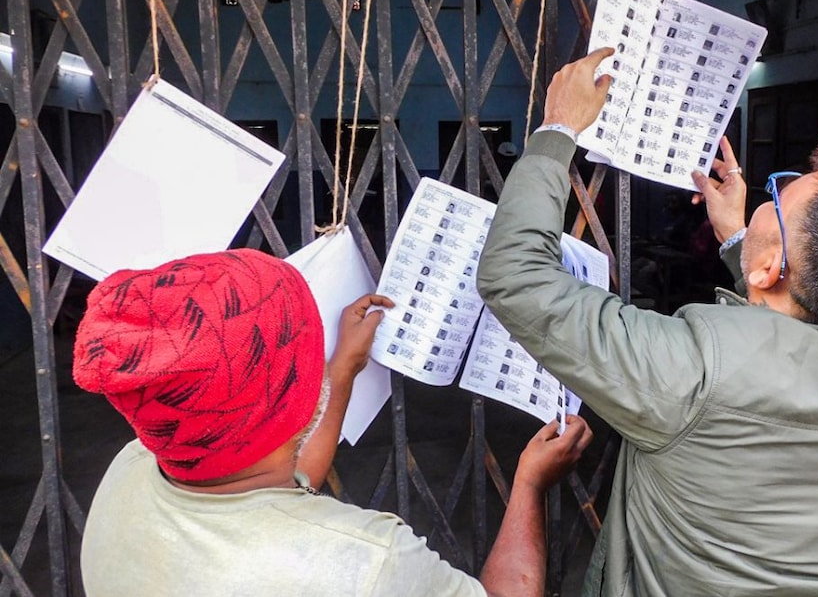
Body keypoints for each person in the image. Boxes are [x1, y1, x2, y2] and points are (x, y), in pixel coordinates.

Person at [476, 48, 818, 596]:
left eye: (776, 199)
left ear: (774, 268)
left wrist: (557, 130)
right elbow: (802, 335)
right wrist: (742, 249)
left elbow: (515, 275)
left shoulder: (694, 372)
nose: (762, 204)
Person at [75, 248, 593, 596]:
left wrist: (340, 371)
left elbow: (276, 481)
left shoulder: (133, 469)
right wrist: (528, 484)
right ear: (289, 398)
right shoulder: (367, 563)